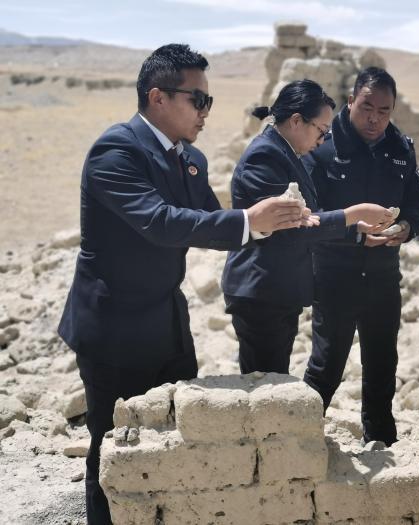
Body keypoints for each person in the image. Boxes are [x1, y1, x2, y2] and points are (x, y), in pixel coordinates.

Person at [57, 44, 313, 524]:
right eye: (198, 100)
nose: (206, 111)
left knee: (171, 443)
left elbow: (210, 222)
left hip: (168, 326)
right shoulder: (116, 151)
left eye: (208, 101)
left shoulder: (189, 158)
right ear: (158, 97)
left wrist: (273, 222)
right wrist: (247, 222)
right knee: (112, 450)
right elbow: (160, 221)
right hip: (114, 330)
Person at [221, 79, 395, 374]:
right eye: (321, 130)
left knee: (273, 381)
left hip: (276, 291)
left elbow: (307, 218)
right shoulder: (265, 157)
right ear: (296, 121)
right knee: (263, 385)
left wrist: (356, 229)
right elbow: (290, 226)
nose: (323, 140)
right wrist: (352, 215)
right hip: (261, 291)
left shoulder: (286, 153)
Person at [302, 67, 419, 446]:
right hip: (334, 274)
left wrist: (406, 228)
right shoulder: (323, 147)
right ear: (351, 101)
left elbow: (416, 202)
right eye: (367, 108)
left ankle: (381, 441)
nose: (374, 119)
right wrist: (353, 232)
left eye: (384, 111)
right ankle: (300, 439)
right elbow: (309, 215)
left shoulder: (401, 148)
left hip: (383, 276)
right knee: (327, 364)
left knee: (382, 365)